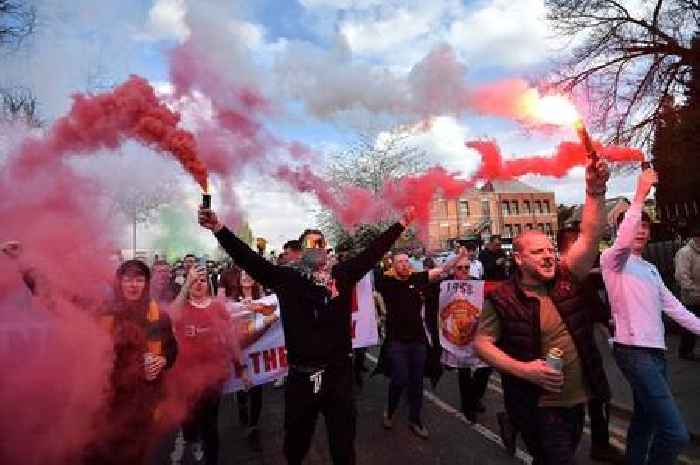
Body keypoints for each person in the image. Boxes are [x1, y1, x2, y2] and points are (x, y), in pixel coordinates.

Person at [199, 204, 416, 465]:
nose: (316, 247)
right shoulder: (286, 279)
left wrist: (401, 224)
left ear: (326, 249)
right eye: (310, 244)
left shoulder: (342, 276)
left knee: (343, 445)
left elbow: (372, 253)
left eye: (320, 243)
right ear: (301, 252)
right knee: (295, 444)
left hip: (339, 374)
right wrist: (219, 229)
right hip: (302, 376)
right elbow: (249, 260)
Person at [474, 158, 611, 465]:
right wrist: (524, 370)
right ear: (519, 259)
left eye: (550, 249)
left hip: (578, 400)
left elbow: (590, 236)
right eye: (539, 252)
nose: (549, 256)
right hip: (538, 405)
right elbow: (481, 343)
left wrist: (595, 190)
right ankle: (514, 420)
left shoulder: (566, 276)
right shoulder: (503, 298)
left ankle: (510, 424)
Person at [602, 168, 700, 465]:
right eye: (636, 225)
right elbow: (621, 242)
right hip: (632, 351)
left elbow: (676, 309)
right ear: (623, 230)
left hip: (656, 354)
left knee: (644, 421)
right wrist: (640, 195)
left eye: (646, 226)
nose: (641, 230)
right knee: (676, 434)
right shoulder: (612, 260)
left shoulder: (651, 269)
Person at [87, 260, 178, 465]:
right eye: (128, 279)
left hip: (143, 408)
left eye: (139, 279)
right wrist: (26, 266)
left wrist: (163, 360)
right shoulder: (106, 312)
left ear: (146, 283)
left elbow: (172, 349)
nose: (133, 285)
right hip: (109, 405)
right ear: (119, 283)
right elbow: (61, 304)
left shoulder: (160, 317)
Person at [378, 248, 467, 439]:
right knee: (400, 378)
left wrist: (458, 257)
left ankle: (415, 420)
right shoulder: (386, 282)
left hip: (418, 341)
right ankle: (390, 410)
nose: (405, 264)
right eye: (400, 261)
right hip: (396, 342)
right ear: (393, 265)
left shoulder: (417, 279)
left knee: (417, 382)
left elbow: (441, 270)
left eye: (406, 261)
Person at [169, 264, 248, 465]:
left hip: (214, 375)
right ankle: (189, 438)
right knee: (189, 417)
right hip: (187, 375)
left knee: (210, 422)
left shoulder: (218, 307)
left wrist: (241, 368)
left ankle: (211, 459)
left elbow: (231, 339)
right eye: (194, 281)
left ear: (209, 284)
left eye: (202, 280)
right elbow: (171, 316)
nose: (198, 284)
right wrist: (187, 283)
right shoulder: (182, 306)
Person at [228, 269, 279, 449]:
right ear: (239, 281)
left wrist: (264, 312)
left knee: (257, 387)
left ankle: (253, 426)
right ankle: (242, 406)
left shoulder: (265, 299)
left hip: (260, 351)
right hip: (241, 351)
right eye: (244, 276)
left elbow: (274, 313)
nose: (247, 278)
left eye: (250, 274)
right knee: (242, 387)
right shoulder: (233, 303)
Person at [674, 223, 700, 361]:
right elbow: (682, 276)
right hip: (691, 297)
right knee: (689, 326)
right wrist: (694, 291)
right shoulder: (685, 253)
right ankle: (685, 351)